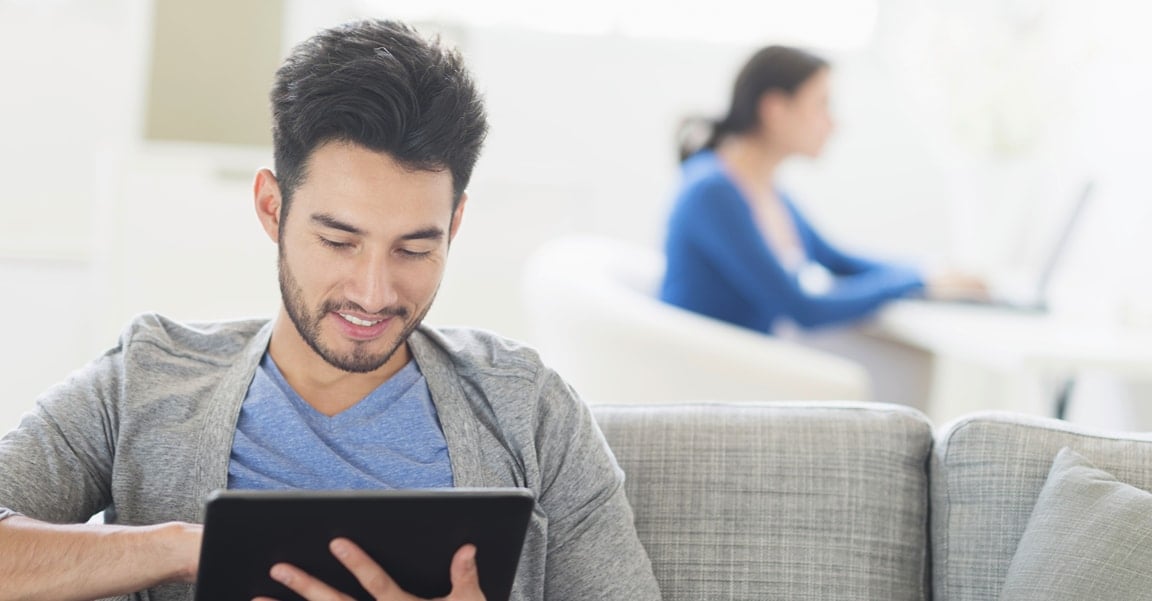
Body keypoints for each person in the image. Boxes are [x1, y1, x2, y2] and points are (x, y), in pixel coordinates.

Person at [0, 19, 660, 601]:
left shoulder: (533, 412)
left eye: (414, 247)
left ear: (454, 224)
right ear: (271, 207)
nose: (374, 293)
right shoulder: (144, 376)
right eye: (339, 240)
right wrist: (189, 548)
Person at [659, 45, 984, 405]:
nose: (833, 123)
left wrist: (930, 272)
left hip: (739, 370)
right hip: (709, 386)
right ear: (775, 109)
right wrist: (917, 281)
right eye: (822, 105)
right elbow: (802, 307)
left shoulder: (760, 188)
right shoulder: (714, 191)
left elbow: (837, 261)